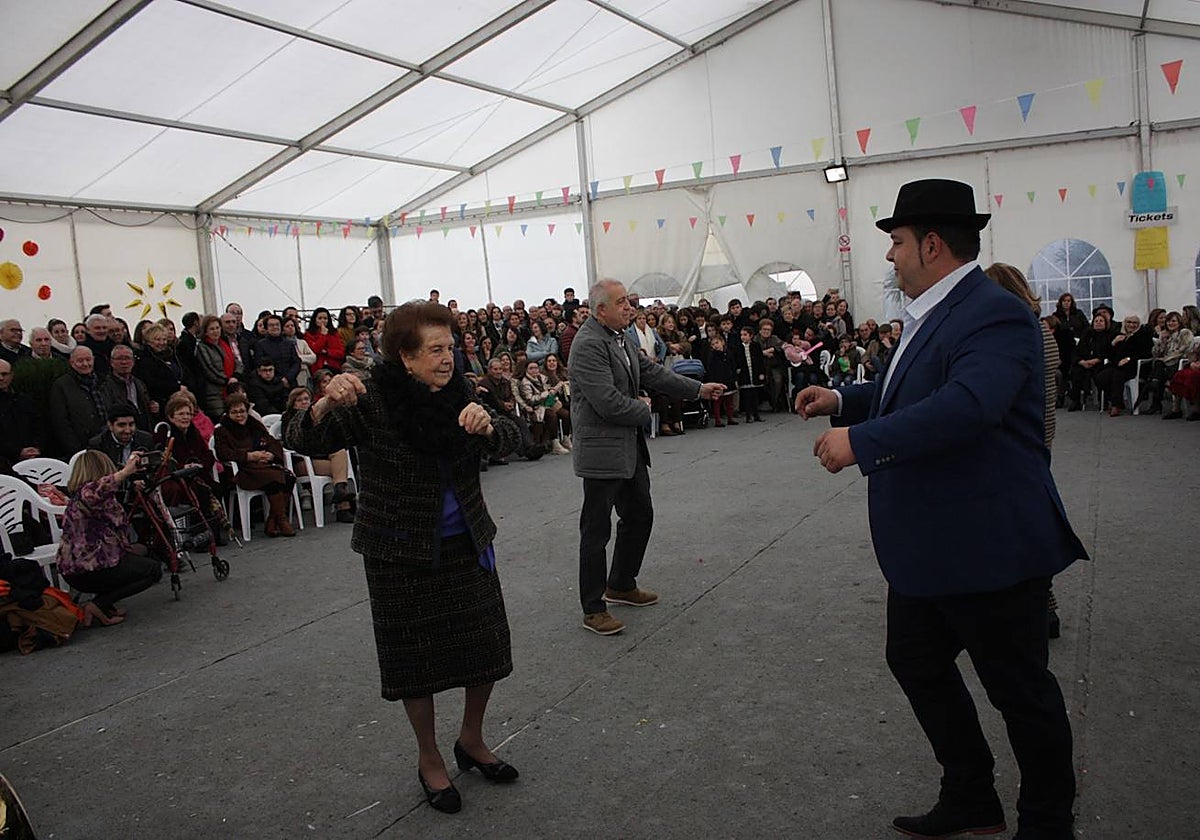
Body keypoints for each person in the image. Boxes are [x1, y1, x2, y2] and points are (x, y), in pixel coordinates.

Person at [796, 179, 1085, 840]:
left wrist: (859, 442)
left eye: (897, 242)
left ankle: (1048, 823)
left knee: (1020, 692)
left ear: (931, 243)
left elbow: (967, 407)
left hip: (990, 545)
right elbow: (911, 392)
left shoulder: (996, 312)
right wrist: (844, 401)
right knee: (916, 660)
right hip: (934, 545)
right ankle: (971, 795)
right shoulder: (934, 312)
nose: (891, 257)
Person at [284, 301, 521, 815]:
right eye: (435, 350)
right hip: (399, 551)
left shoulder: (463, 391)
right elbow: (300, 437)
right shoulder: (371, 400)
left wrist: (487, 427)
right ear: (405, 358)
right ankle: (430, 757)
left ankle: (472, 740)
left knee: (487, 652)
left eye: (451, 348)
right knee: (415, 663)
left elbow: (511, 437)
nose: (448, 358)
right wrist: (325, 403)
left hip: (467, 543)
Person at [569, 279, 725, 636]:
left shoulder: (619, 335)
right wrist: (643, 410)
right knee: (596, 531)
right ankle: (593, 608)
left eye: (629, 301)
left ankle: (621, 583)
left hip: (628, 447)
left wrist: (698, 389)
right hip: (601, 451)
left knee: (640, 514)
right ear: (600, 310)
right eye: (621, 302)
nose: (629, 306)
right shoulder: (588, 344)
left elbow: (651, 372)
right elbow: (606, 401)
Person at [56, 450, 163, 624]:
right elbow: (100, 488)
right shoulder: (88, 493)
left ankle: (105, 603)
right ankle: (98, 604)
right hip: (87, 569)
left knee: (142, 552)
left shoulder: (85, 496)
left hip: (83, 566)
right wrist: (125, 472)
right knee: (152, 570)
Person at [214, 394, 296, 538]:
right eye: (235, 412)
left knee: (288, 476)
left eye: (242, 411)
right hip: (243, 470)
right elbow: (223, 453)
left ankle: (272, 520)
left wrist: (271, 454)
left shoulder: (254, 425)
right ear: (228, 413)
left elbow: (272, 442)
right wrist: (249, 456)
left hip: (263, 465)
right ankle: (281, 521)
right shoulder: (222, 431)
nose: (239, 415)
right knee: (274, 478)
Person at [281, 388, 355, 523]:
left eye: (306, 399)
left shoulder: (322, 416)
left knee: (339, 451)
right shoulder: (289, 419)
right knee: (340, 471)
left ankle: (340, 494)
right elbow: (290, 443)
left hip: (323, 457)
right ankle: (343, 506)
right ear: (293, 403)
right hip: (302, 461)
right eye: (299, 400)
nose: (304, 402)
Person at [49, 347, 107, 458]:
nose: (85, 364)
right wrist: (75, 449)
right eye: (80, 361)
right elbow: (61, 421)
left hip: (105, 442)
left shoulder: (103, 381)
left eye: (88, 360)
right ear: (72, 362)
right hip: (79, 446)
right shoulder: (61, 385)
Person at [1094, 314, 1152, 417]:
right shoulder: (1119, 335)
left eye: (1134, 323)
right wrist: (1113, 343)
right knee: (1101, 376)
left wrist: (1129, 359)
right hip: (1116, 365)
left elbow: (1146, 353)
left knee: (1117, 374)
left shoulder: (1143, 335)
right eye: (1129, 322)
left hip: (1133, 366)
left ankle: (1116, 405)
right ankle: (1114, 401)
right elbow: (1108, 354)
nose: (1131, 325)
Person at [100, 344, 155, 429]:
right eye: (119, 358)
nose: (124, 362)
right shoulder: (105, 386)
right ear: (111, 362)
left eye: (127, 358)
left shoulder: (140, 384)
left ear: (133, 361)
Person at [195, 314, 241, 416]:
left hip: (232, 388)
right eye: (212, 329)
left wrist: (236, 376)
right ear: (205, 331)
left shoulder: (224, 344)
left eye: (217, 328)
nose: (216, 331)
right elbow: (209, 370)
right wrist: (226, 380)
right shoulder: (202, 347)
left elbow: (237, 361)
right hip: (215, 393)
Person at [87, 403, 154, 467]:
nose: (128, 430)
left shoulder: (145, 440)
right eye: (122, 425)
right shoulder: (98, 445)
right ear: (110, 425)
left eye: (131, 424)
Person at [732, 325, 766, 422]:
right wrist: (737, 370)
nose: (743, 337)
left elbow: (760, 360)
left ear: (751, 336)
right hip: (744, 374)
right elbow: (736, 361)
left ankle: (756, 414)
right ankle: (748, 415)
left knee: (755, 395)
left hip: (754, 373)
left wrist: (762, 372)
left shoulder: (756, 346)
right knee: (746, 396)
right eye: (741, 335)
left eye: (745, 335)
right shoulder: (738, 347)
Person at [305, 308, 345, 373]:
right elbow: (315, 350)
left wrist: (327, 352)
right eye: (320, 318)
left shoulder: (334, 334)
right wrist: (323, 335)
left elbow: (341, 353)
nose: (323, 321)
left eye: (325, 318)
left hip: (334, 367)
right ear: (315, 320)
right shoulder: (308, 334)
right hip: (318, 369)